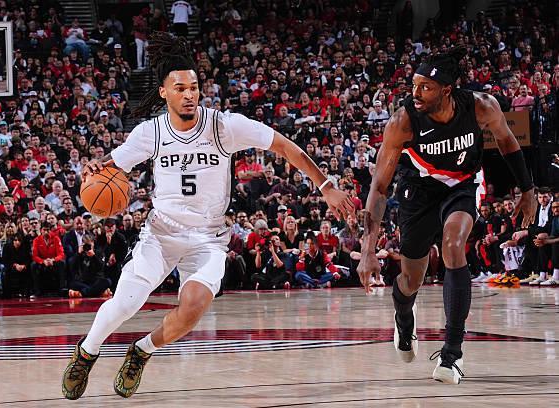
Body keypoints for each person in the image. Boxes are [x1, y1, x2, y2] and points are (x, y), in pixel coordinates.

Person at [62, 32, 354, 400]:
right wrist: (95, 166)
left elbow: (283, 145)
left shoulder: (224, 126)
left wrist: (326, 186)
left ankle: (142, 350)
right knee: (127, 302)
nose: (189, 95)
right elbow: (110, 165)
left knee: (194, 306)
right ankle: (87, 351)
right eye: (180, 88)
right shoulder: (150, 133)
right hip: (162, 233)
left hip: (208, 238)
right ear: (164, 93)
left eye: (194, 87)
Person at [356, 47, 537, 385]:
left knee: (454, 245)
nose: (416, 93)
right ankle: (403, 315)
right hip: (417, 191)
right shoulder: (403, 121)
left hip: (462, 186)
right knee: (411, 280)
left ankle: (452, 353)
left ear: (447, 90)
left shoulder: (481, 106)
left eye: (425, 87)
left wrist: (527, 190)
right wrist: (367, 250)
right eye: (414, 85)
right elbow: (378, 188)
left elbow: (508, 142)